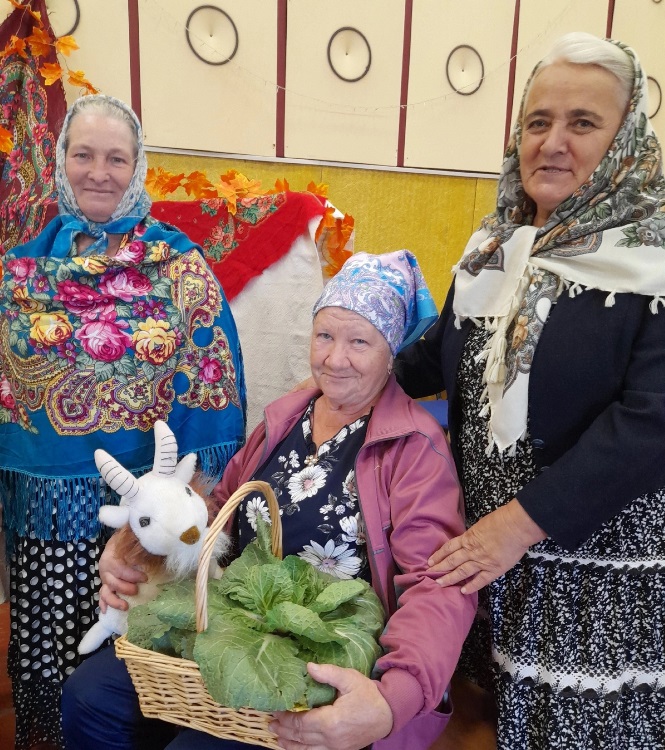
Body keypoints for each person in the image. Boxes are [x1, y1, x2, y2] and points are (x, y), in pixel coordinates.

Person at [61, 249, 477, 750]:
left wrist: (392, 699)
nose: (334, 359)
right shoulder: (286, 417)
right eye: (324, 336)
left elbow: (438, 586)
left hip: (324, 657)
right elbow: (216, 510)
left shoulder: (415, 448)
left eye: (359, 342)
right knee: (90, 696)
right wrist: (132, 548)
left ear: (392, 353)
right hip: (237, 623)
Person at [394, 32, 665, 749]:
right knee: (482, 719)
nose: (552, 142)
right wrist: (349, 376)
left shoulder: (653, 261)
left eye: (583, 123)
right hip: (486, 555)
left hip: (590, 573)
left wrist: (518, 526)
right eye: (537, 121)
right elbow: (442, 355)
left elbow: (651, 424)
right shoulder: (496, 245)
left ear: (625, 140)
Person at [0, 95, 246, 750]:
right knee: (54, 644)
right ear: (62, 161)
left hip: (146, 510)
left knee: (138, 653)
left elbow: (210, 372)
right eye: (83, 154)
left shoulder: (178, 266)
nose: (99, 172)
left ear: (138, 167)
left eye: (116, 158)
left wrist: (184, 499)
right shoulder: (22, 271)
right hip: (48, 511)